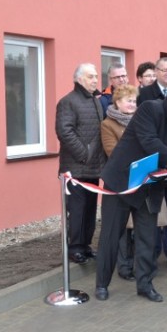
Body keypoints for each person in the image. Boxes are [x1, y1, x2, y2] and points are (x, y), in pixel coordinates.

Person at [95, 82, 167, 302]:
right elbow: (149, 141)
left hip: (150, 186)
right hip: (122, 181)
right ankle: (102, 284)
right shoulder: (150, 109)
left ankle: (145, 285)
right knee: (111, 235)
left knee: (148, 238)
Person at [137, 57, 167, 268]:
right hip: (154, 162)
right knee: (153, 211)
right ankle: (153, 254)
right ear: (156, 72)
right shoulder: (145, 95)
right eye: (164, 70)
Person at [55, 63, 106, 265]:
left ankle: (85, 245)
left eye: (96, 76)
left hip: (93, 168)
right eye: (91, 76)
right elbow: (64, 131)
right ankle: (74, 248)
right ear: (79, 79)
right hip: (75, 168)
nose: (95, 80)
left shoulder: (94, 101)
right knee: (76, 209)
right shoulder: (68, 102)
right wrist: (84, 155)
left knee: (90, 209)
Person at [101, 84, 139, 282]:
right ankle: (124, 267)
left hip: (140, 179)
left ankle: (138, 265)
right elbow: (112, 152)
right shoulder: (108, 124)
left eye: (134, 100)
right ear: (117, 102)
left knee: (139, 228)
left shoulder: (141, 121)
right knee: (122, 229)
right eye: (128, 100)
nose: (132, 104)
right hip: (120, 181)